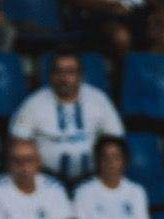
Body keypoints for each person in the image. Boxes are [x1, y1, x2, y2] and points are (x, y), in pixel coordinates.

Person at [9, 49, 123, 185]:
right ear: (51, 75)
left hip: (93, 180)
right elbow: (17, 142)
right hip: (46, 182)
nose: (64, 78)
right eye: (59, 72)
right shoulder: (33, 104)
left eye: (70, 72)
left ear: (80, 75)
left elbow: (116, 141)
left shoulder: (99, 100)